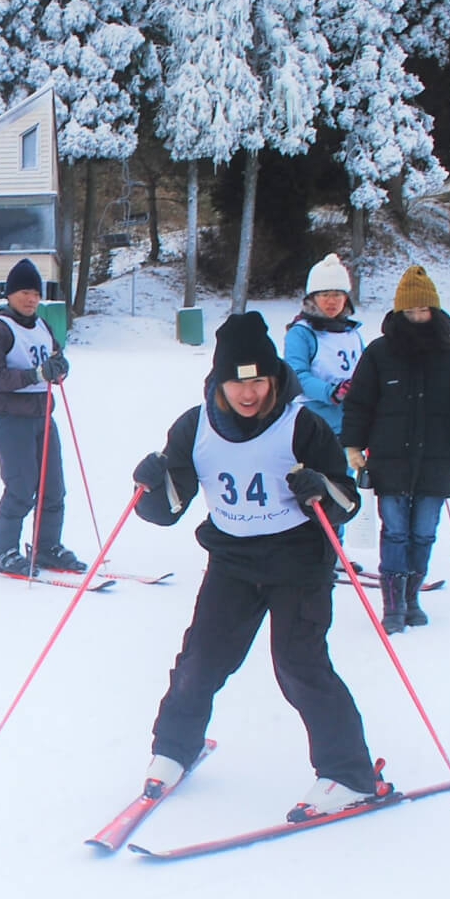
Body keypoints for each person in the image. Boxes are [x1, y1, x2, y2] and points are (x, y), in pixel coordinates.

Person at [130, 311, 389, 821]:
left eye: (258, 381)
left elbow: (346, 500)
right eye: (236, 382)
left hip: (299, 562)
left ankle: (350, 774)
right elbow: (167, 510)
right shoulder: (194, 426)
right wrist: (148, 487)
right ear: (219, 382)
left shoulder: (303, 424)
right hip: (232, 562)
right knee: (200, 660)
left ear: (273, 379)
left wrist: (320, 487)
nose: (248, 394)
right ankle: (175, 749)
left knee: (299, 665)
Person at [340, 265, 450, 632]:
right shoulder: (379, 353)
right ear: (398, 313)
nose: (416, 318)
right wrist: (352, 444)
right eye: (409, 312)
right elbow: (359, 402)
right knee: (395, 529)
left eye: (423, 311)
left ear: (434, 311)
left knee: (424, 530)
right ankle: (393, 605)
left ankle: (412, 598)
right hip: (390, 458)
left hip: (437, 458)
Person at [0, 257, 83, 576]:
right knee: (21, 486)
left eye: (35, 292)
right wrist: (36, 374)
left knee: (53, 487)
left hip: (42, 416)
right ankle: (1, 550)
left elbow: (55, 357)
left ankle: (46, 546)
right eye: (23, 292)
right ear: (9, 295)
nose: (30, 298)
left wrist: (59, 369)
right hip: (9, 418)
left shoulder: (42, 325)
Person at [283, 253, 364, 435]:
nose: (331, 301)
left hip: (352, 420)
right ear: (313, 298)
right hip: (315, 421)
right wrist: (331, 392)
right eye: (325, 295)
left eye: (337, 294)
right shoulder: (301, 333)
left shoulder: (352, 333)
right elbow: (296, 375)